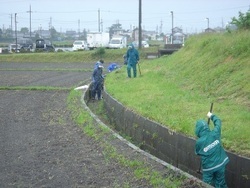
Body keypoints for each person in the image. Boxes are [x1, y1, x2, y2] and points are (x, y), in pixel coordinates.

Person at [195, 112, 229, 188]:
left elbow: (197, 152)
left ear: (198, 130)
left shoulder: (199, 142)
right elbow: (218, 122)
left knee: (206, 184)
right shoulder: (215, 133)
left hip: (208, 168)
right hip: (220, 163)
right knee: (220, 183)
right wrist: (211, 115)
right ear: (207, 127)